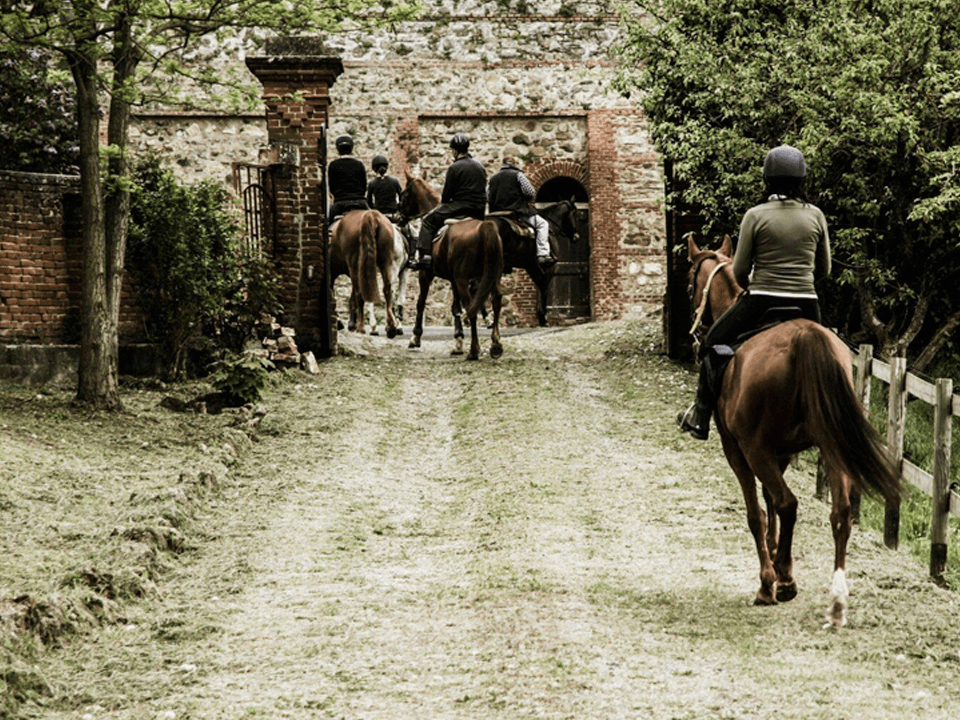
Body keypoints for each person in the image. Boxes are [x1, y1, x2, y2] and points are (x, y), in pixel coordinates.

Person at [677, 144, 832, 440]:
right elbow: (823, 271)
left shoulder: (755, 215)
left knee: (714, 341)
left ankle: (700, 414)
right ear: (802, 180)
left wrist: (754, 286)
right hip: (808, 304)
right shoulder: (816, 215)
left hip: (762, 300)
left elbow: (739, 270)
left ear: (767, 180)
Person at [408, 133, 487, 271]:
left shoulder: (454, 168)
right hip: (478, 210)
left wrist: (444, 203)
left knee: (427, 220)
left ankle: (425, 256)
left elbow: (447, 194)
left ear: (455, 151)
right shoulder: (480, 167)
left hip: (459, 207)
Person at [487, 157, 554, 265]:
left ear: (503, 164)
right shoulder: (518, 175)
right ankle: (543, 254)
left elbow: (488, 195)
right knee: (543, 224)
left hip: (496, 214)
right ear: (514, 163)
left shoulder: (493, 178)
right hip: (517, 212)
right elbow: (530, 192)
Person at [327, 134, 369, 226]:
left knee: (328, 227)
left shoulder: (333, 165)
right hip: (360, 202)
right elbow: (364, 185)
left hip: (340, 203)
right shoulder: (359, 164)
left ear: (338, 149)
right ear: (351, 149)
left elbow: (332, 187)